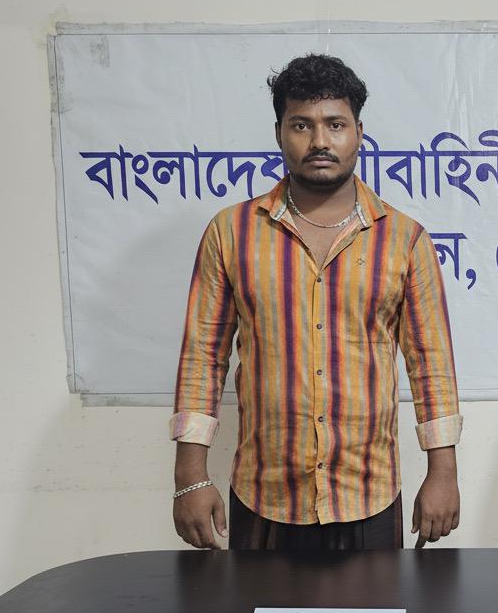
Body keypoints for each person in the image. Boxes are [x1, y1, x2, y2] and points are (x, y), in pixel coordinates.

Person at [170, 54, 461, 551]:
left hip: (367, 495)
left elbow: (431, 366)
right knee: (255, 608)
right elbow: (203, 358)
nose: (320, 141)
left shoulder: (405, 239)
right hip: (264, 495)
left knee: (377, 609)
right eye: (301, 124)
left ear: (359, 133)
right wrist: (189, 479)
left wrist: (443, 474)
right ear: (279, 133)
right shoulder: (231, 232)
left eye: (335, 124)